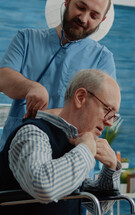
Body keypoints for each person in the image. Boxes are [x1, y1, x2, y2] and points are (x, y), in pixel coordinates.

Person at [1, 69, 135, 215]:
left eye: (113, 116)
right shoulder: (33, 133)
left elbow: (94, 206)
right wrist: (86, 149)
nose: (109, 122)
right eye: (107, 109)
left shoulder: (72, 143)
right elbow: (44, 186)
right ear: (80, 97)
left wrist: (111, 169)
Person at [0, 0, 116, 151]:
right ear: (67, 2)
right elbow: (3, 78)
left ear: (102, 20)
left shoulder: (102, 58)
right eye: (81, 7)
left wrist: (44, 116)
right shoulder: (27, 38)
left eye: (94, 16)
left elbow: (102, 113)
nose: (83, 18)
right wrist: (31, 87)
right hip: (17, 151)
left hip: (69, 157)